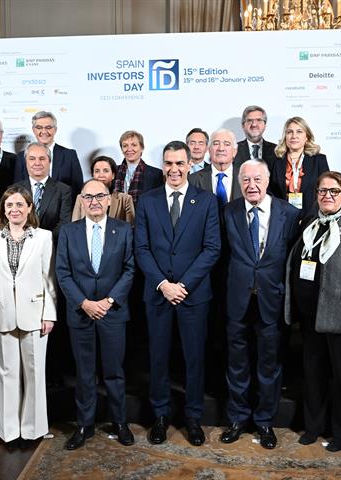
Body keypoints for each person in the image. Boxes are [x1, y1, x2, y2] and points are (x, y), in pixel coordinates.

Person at [134, 141, 221, 446]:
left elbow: (212, 248)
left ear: (189, 165)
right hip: (157, 294)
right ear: (163, 165)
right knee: (158, 358)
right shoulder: (147, 200)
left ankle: (193, 417)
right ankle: (160, 416)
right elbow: (141, 249)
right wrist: (163, 284)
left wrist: (183, 286)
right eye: (168, 163)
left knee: (194, 359)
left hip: (192, 295)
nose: (174, 169)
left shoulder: (207, 201)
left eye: (179, 163)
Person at [285, 171, 341, 451]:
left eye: (334, 191)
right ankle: (313, 427)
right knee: (313, 374)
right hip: (310, 316)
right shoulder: (309, 223)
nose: (327, 196)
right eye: (322, 191)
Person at [220, 160, 300, 449]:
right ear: (239, 182)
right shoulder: (228, 211)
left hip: (272, 299)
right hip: (237, 300)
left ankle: (265, 421)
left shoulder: (289, 214)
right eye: (246, 180)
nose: (251, 185)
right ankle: (237, 419)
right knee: (237, 364)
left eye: (257, 179)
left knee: (270, 365)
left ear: (267, 181)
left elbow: (292, 259)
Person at [56, 179, 136, 449]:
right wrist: (84, 303)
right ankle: (84, 425)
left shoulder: (123, 230)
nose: (94, 201)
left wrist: (109, 300)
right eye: (88, 197)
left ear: (109, 199)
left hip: (112, 313)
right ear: (81, 200)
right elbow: (63, 273)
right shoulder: (69, 231)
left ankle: (120, 422)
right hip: (81, 313)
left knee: (114, 371)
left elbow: (129, 269)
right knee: (84, 372)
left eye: (100, 196)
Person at [0, 185, 57, 447]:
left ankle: (33, 431)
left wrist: (50, 314)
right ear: (4, 209)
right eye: (9, 205)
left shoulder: (44, 237)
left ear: (29, 208)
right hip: (1, 315)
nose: (14, 209)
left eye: (19, 205)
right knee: (7, 374)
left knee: (35, 374)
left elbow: (49, 279)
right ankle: (10, 432)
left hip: (35, 315)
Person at [13, 111, 84, 201]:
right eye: (39, 127)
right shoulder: (21, 156)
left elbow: (77, 188)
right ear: (33, 130)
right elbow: (17, 188)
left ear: (55, 129)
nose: (44, 131)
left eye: (48, 127)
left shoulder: (69, 155)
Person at [269, 117, 329, 215]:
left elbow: (326, 189)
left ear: (307, 137)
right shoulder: (274, 160)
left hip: (312, 216)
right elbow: (269, 191)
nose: (294, 136)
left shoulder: (319, 160)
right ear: (285, 137)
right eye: (289, 132)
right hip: (281, 216)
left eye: (299, 131)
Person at [15, 142, 72, 242]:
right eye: (32, 159)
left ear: (49, 161)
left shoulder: (63, 190)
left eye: (42, 159)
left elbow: (64, 223)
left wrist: (44, 241)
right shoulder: (14, 190)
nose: (37, 163)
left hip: (52, 245)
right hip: (20, 245)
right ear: (26, 162)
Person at [72, 155, 135, 224]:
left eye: (106, 171)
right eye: (97, 171)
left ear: (113, 175)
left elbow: (130, 228)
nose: (101, 175)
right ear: (92, 174)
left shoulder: (125, 199)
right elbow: (74, 227)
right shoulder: (80, 197)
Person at [188, 129, 242, 206]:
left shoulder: (245, 177)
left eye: (227, 144)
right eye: (216, 144)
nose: (221, 149)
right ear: (209, 150)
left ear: (234, 152)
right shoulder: (193, 180)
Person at [113, 130, 164, 205]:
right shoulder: (114, 170)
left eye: (134, 145)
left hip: (144, 216)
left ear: (142, 148)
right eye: (125, 146)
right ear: (121, 149)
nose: (129, 149)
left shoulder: (156, 174)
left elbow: (158, 202)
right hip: (116, 216)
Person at [234, 106, 278, 170]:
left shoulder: (276, 150)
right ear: (243, 125)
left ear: (265, 125)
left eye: (259, 120)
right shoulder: (234, 150)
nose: (254, 124)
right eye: (249, 120)